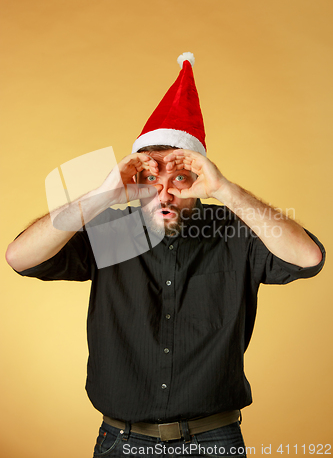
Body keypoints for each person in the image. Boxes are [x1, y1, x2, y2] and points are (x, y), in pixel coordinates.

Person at [6, 53, 325, 458]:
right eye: (150, 178)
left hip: (214, 441)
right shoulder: (111, 232)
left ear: (198, 180)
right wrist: (103, 195)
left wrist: (225, 189)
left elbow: (307, 257)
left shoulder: (234, 229)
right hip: (121, 441)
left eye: (179, 178)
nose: (164, 192)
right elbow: (20, 257)